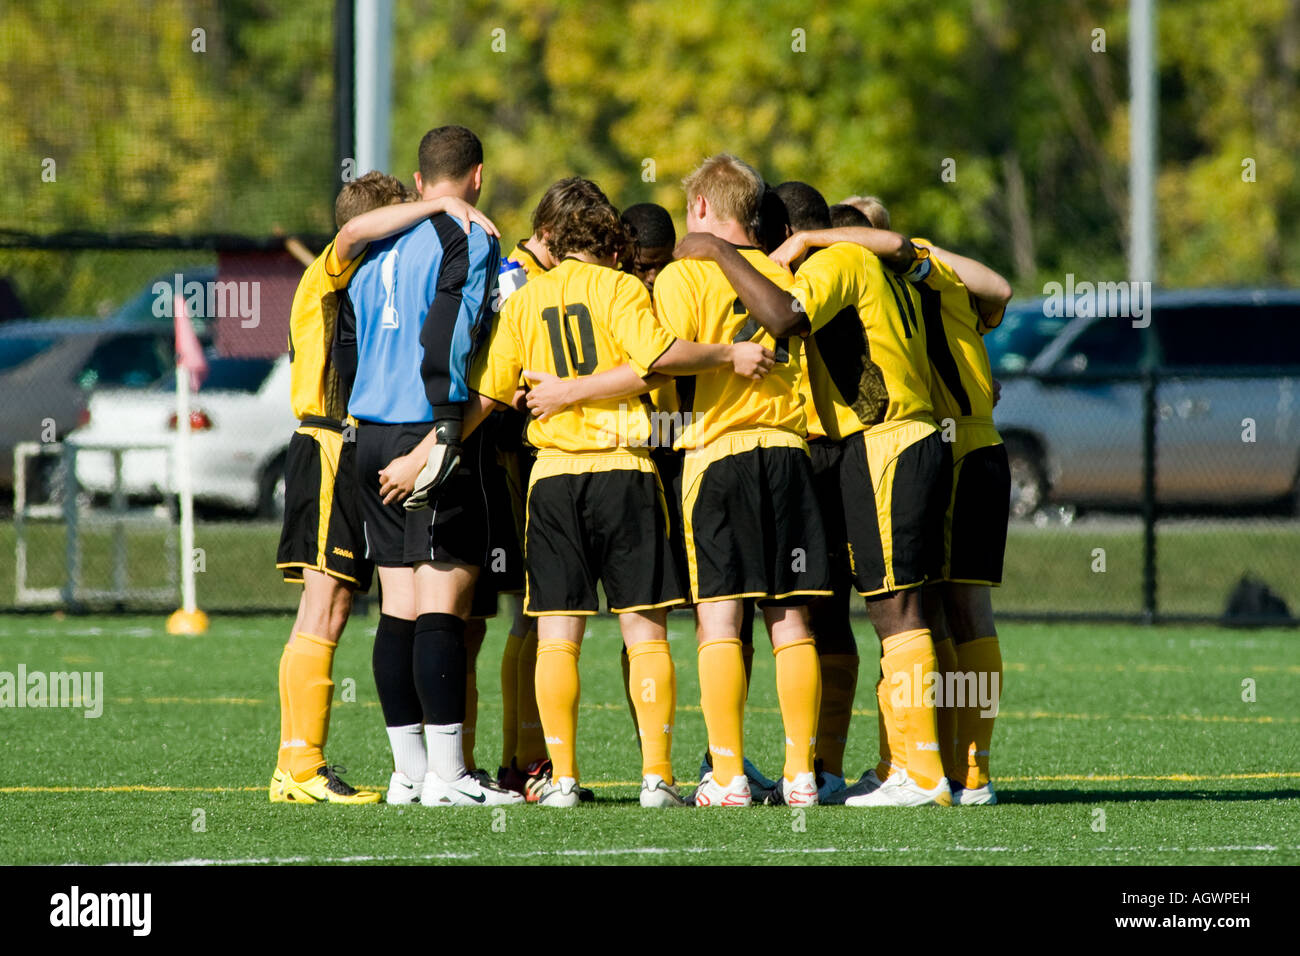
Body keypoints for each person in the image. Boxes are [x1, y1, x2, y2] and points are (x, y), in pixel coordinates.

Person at [463, 177, 774, 806]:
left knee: (556, 636)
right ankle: (657, 778)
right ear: (606, 234)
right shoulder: (623, 286)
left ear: (552, 234)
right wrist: (726, 355)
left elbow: (490, 393)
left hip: (552, 476)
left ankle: (564, 779)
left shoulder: (525, 300)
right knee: (647, 633)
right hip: (625, 469)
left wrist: (434, 445)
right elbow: (657, 357)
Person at [676, 191, 955, 807]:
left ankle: (923, 772)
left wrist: (724, 252)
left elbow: (785, 318)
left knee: (895, 611)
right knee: (880, 610)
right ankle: (878, 766)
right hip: (881, 442)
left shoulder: (832, 263)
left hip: (885, 439)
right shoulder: (874, 261)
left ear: (791, 233)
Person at [271, 170, 494, 804]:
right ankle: (298, 763)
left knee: (341, 607)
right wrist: (441, 203)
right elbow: (355, 230)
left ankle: (332, 764)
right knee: (321, 608)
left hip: (350, 443)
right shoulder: (338, 265)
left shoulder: (368, 276)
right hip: (322, 443)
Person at [334, 125, 521, 806]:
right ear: (477, 176)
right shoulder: (469, 234)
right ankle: (450, 774)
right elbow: (449, 328)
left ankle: (409, 772)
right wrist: (443, 436)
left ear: (418, 183)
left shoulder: (376, 237)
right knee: (445, 601)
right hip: (425, 427)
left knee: (400, 607)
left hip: (369, 431)